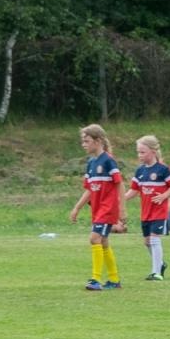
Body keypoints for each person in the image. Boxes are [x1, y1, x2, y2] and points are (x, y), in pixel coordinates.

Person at [69, 123, 125, 291]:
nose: (83, 144)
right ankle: (114, 279)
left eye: (86, 141)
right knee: (104, 242)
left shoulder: (108, 160)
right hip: (98, 208)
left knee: (94, 238)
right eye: (83, 141)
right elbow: (89, 190)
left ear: (98, 141)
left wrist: (122, 210)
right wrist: (77, 208)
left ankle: (95, 279)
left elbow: (119, 184)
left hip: (107, 208)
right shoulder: (91, 163)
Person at [124, 134, 170, 281]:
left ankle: (156, 272)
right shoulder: (140, 171)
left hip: (159, 212)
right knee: (147, 241)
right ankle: (160, 264)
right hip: (145, 212)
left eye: (142, 152)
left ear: (153, 152)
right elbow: (134, 191)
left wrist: (164, 196)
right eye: (138, 152)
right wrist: (119, 200)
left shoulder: (162, 170)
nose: (139, 155)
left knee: (154, 239)